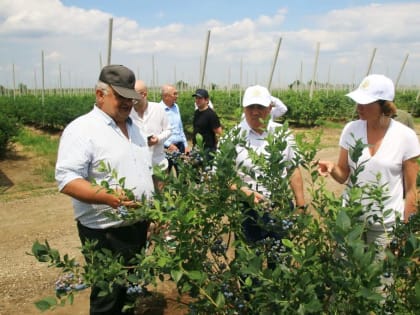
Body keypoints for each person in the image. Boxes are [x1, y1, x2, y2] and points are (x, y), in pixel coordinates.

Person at [55, 65, 154, 315]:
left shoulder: (135, 128)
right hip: (105, 233)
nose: (126, 104)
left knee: (130, 290)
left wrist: (154, 211)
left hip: (137, 225)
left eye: (129, 98)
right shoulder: (82, 130)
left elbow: (144, 172)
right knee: (108, 297)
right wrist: (109, 198)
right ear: (100, 94)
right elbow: (66, 179)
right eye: (120, 97)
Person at [318, 74, 420, 260]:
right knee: (346, 277)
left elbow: (412, 189)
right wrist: (332, 168)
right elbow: (344, 175)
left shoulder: (405, 137)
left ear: (384, 105)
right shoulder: (351, 129)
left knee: (380, 282)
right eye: (358, 102)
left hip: (386, 223)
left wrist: (407, 229)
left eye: (366, 103)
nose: (359, 107)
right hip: (351, 218)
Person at [231, 85, 306, 245]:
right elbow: (222, 177)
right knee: (248, 261)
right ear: (244, 108)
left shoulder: (283, 133)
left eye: (261, 107)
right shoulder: (232, 137)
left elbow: (293, 169)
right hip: (247, 210)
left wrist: (300, 205)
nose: (255, 112)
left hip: (279, 205)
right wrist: (243, 190)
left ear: (270, 108)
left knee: (280, 259)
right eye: (251, 107)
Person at [130, 80, 171, 191]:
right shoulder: (128, 114)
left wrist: (158, 139)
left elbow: (168, 130)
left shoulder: (158, 109)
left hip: (158, 163)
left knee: (162, 199)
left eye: (133, 95)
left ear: (144, 94)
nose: (130, 99)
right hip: (138, 167)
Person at [159, 84, 189, 174]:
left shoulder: (176, 107)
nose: (177, 96)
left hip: (180, 147)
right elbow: (157, 132)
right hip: (167, 148)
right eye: (174, 94)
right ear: (166, 96)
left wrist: (186, 144)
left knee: (182, 173)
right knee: (165, 175)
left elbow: (180, 127)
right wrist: (168, 145)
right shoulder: (158, 109)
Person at [192, 88, 223, 162]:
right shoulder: (196, 112)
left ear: (206, 100)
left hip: (207, 150)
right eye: (196, 98)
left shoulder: (211, 114)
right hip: (196, 148)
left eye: (200, 98)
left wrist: (218, 148)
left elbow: (219, 132)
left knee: (206, 171)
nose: (197, 100)